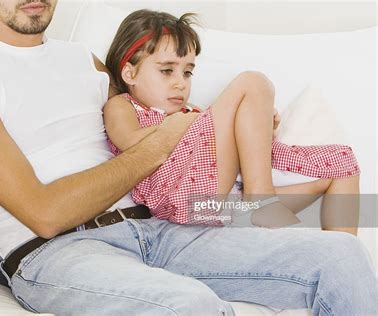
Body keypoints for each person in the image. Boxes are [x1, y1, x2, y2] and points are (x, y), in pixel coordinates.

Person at [0, 0, 376, 315]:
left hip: (159, 228)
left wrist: (250, 127)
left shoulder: (86, 62)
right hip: (58, 251)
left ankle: (263, 206)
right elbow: (46, 214)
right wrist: (162, 142)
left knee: (341, 255)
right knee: (189, 305)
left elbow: (162, 116)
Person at [104, 10, 361, 231]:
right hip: (182, 200)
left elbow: (225, 152)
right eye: (167, 70)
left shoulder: (190, 111)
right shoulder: (123, 105)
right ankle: (261, 201)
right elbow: (131, 145)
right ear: (130, 72)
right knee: (253, 82)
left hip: (223, 205)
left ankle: (344, 258)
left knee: (343, 165)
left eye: (188, 72)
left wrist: (258, 128)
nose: (180, 83)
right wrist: (176, 126)